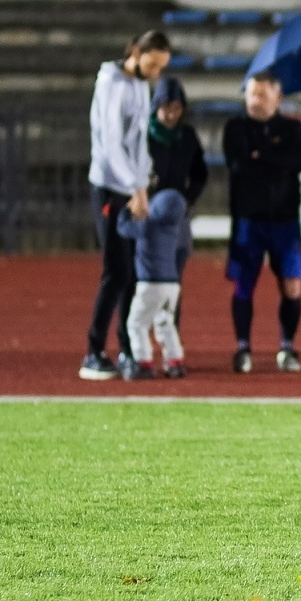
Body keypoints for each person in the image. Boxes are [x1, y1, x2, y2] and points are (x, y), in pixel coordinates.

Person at [80, 30, 170, 380]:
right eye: (152, 64)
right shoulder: (112, 85)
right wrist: (134, 187)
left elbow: (140, 140)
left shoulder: (139, 84)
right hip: (110, 188)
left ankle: (127, 348)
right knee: (116, 270)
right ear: (135, 52)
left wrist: (143, 180)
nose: (156, 73)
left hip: (131, 188)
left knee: (132, 271)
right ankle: (93, 351)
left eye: (161, 67)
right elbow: (111, 143)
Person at [223, 71, 301, 372]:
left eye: (262, 94)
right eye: (251, 94)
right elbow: (238, 162)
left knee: (292, 285)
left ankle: (287, 347)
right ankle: (242, 348)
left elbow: (298, 160)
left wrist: (261, 155)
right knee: (243, 285)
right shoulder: (235, 128)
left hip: (285, 221)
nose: (255, 100)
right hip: (248, 220)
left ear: (278, 97)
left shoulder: (292, 129)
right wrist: (274, 159)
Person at [147, 76, 207, 326]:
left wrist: (188, 199)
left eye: (176, 108)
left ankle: (171, 331)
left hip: (177, 217)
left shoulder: (187, 137)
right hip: (148, 215)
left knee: (174, 277)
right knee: (144, 276)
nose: (171, 115)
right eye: (165, 108)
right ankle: (137, 334)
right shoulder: (144, 135)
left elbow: (200, 173)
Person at [116, 187, 188, 380]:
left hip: (150, 283)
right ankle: (175, 361)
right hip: (172, 284)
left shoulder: (149, 226)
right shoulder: (173, 229)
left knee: (136, 323)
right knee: (165, 323)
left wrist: (127, 210)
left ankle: (143, 362)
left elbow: (123, 228)